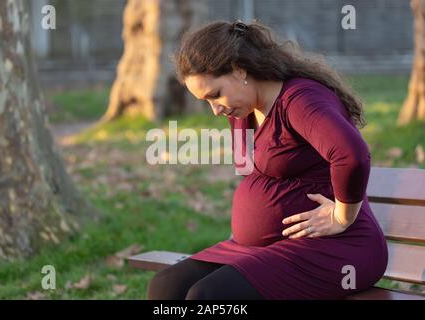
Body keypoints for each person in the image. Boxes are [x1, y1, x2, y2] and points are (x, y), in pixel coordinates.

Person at [147, 20, 388, 300]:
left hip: (334, 246)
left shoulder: (300, 100)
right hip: (267, 247)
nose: (215, 109)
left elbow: (352, 155)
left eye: (215, 95)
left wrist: (342, 216)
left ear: (239, 70)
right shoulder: (243, 111)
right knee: (165, 287)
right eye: (206, 101)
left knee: (209, 297)